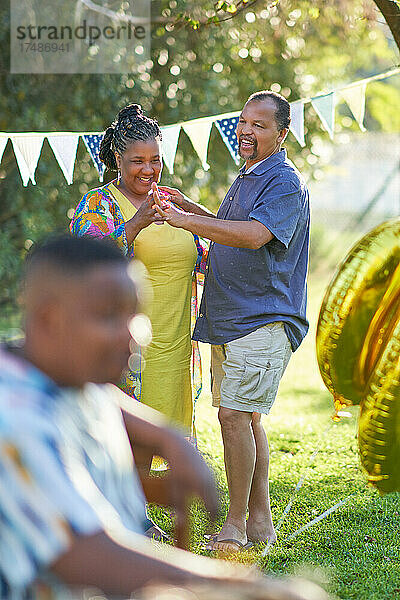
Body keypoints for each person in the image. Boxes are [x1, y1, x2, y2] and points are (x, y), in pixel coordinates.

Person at [0, 235, 324, 600]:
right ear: (49, 319)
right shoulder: (14, 425)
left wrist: (164, 437)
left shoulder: (59, 375)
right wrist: (240, 587)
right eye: (108, 315)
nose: (136, 334)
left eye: (136, 313)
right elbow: (86, 554)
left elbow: (101, 399)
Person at [155, 91, 310, 553]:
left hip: (263, 319)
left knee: (233, 416)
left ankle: (236, 525)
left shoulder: (282, 180)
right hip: (233, 320)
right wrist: (195, 210)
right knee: (246, 420)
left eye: (259, 125)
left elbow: (253, 235)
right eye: (243, 122)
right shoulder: (249, 176)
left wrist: (184, 220)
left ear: (282, 135)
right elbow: (229, 229)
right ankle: (260, 521)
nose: (246, 131)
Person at [70, 103, 205, 440]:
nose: (149, 170)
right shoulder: (99, 204)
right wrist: (136, 223)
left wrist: (191, 210)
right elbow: (85, 265)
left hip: (174, 354)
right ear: (118, 160)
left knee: (167, 449)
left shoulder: (170, 203)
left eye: (155, 160)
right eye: (138, 161)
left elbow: (208, 259)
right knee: (128, 451)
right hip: (127, 354)